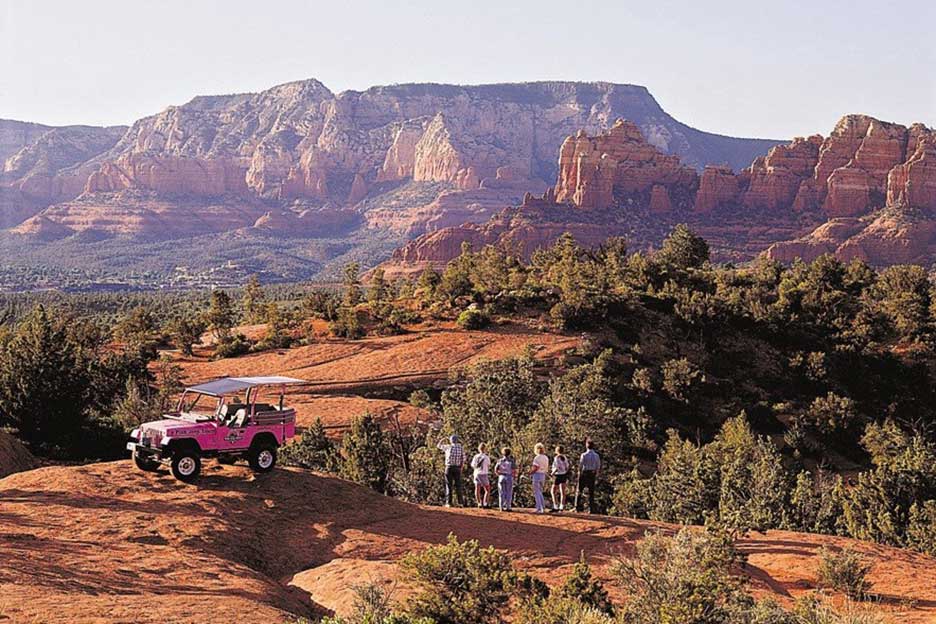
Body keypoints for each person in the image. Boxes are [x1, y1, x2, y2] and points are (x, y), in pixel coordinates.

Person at [437, 434, 466, 507]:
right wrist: (461, 467)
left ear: (451, 440)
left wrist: (443, 439)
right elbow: (463, 458)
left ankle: (449, 503)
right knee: (458, 485)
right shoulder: (461, 448)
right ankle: (460, 503)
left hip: (449, 467)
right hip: (457, 468)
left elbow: (438, 446)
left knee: (449, 485)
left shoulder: (448, 447)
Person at [575, 439, 600, 513]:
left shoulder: (584, 455)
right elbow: (598, 465)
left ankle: (577, 507)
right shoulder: (596, 455)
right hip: (592, 473)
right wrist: (596, 473)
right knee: (591, 491)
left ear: (586, 446)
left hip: (584, 473)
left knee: (579, 490)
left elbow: (581, 464)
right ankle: (591, 509)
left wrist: (579, 472)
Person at [494, 447, 517, 512]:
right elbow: (514, 470)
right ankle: (508, 507)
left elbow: (495, 469)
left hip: (501, 476)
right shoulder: (511, 461)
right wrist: (514, 476)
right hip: (509, 476)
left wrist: (498, 474)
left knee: (501, 492)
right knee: (509, 492)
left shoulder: (500, 460)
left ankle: (501, 507)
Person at [470, 443, 491, 508]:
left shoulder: (476, 456)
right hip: (484, 473)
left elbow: (472, 465)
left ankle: (479, 503)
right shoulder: (486, 457)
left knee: (477, 488)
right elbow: (488, 465)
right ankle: (485, 503)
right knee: (487, 489)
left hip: (477, 473)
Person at [530, 443, 549, 513]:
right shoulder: (546, 458)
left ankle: (539, 508)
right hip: (543, 475)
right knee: (540, 491)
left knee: (536, 492)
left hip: (537, 475)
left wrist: (530, 472)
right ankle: (542, 507)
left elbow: (535, 467)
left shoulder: (537, 458)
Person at [550, 445, 570, 512]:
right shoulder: (565, 457)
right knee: (562, 491)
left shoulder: (556, 458)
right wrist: (564, 472)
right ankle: (561, 506)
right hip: (563, 475)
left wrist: (552, 473)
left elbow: (556, 467)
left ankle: (555, 506)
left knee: (553, 491)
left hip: (557, 475)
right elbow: (567, 467)